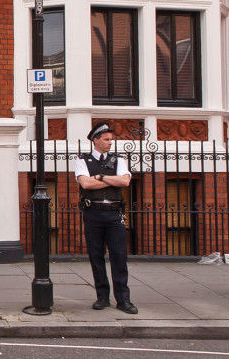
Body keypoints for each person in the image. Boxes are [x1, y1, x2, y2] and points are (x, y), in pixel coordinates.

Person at [75, 121, 137, 314]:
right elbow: (86, 185)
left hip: (114, 214)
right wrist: (112, 181)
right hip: (93, 213)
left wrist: (100, 178)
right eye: (107, 139)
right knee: (96, 257)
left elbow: (125, 181)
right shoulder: (83, 161)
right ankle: (102, 297)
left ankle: (123, 300)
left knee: (119, 257)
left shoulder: (118, 160)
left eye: (112, 139)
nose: (111, 143)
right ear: (96, 140)